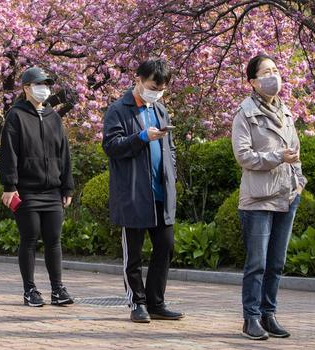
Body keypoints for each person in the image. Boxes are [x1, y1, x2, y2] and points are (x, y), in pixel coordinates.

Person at [102, 58, 183, 323]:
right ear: (138, 79)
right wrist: (140, 138)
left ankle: (155, 301)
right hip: (134, 193)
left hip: (161, 193)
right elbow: (111, 146)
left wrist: (170, 171)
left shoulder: (160, 109)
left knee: (165, 247)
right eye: (152, 86)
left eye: (161, 89)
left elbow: (169, 148)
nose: (156, 92)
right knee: (133, 253)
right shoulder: (119, 110)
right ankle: (137, 302)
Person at [232, 54, 306, 340]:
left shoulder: (286, 111)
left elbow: (296, 151)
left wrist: (299, 183)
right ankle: (250, 318)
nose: (273, 76)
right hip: (258, 199)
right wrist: (277, 156)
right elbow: (244, 156)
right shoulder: (244, 114)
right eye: (266, 72)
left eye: (275, 70)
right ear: (252, 81)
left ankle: (269, 314)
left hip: (287, 197)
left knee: (276, 263)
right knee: (257, 264)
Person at [0, 66, 74, 307]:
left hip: (52, 189)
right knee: (29, 238)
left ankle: (57, 289)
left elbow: (64, 153)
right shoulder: (16, 116)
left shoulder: (54, 117)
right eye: (39, 84)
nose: (44, 89)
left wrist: (67, 186)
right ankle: (29, 290)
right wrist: (9, 185)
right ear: (26, 88)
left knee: (54, 240)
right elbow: (8, 153)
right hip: (27, 190)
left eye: (47, 84)